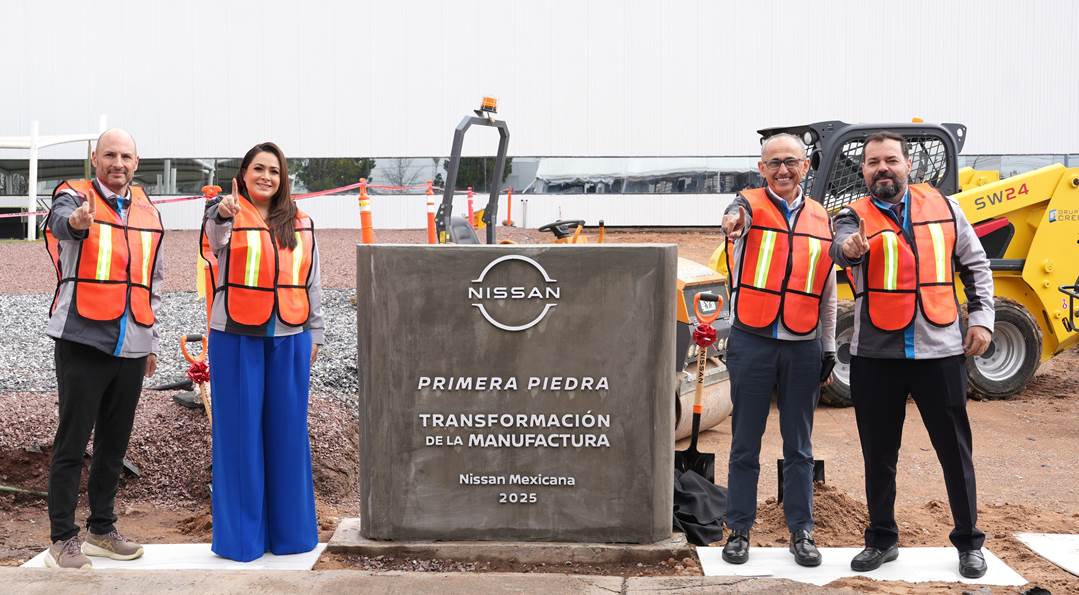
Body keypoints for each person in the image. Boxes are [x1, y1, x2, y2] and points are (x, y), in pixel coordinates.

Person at [831, 131, 994, 579]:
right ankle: (882, 538)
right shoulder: (851, 216)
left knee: (954, 451)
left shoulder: (945, 208)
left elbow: (976, 264)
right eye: (872, 163)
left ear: (907, 165)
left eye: (890, 160)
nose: (882, 168)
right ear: (863, 171)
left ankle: (968, 542)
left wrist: (982, 318)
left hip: (939, 350)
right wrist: (849, 250)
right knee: (879, 455)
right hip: (876, 355)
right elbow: (839, 247)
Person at [43, 128, 162, 569]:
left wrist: (150, 341)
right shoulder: (73, 197)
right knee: (72, 442)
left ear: (137, 161)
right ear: (95, 159)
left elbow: (154, 281)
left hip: (132, 342)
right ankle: (61, 538)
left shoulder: (148, 210)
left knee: (114, 444)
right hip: (83, 337)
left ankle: (101, 529)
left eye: (126, 156)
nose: (118, 163)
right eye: (109, 155)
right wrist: (75, 224)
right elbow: (57, 225)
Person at [201, 142, 324, 562]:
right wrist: (221, 213)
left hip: (290, 337)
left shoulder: (302, 222)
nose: (266, 177)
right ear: (244, 172)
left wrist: (316, 334)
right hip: (235, 336)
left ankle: (293, 536)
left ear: (282, 177)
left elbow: (312, 282)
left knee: (288, 436)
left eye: (274, 170)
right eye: (258, 168)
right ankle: (242, 542)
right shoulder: (225, 213)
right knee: (239, 438)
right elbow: (212, 243)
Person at [719, 133, 837, 567]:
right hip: (752, 340)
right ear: (761, 168)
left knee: (799, 446)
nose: (782, 170)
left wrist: (827, 347)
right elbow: (735, 218)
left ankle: (801, 532)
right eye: (774, 163)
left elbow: (828, 291)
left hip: (803, 345)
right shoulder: (747, 205)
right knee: (745, 443)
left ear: (805, 167)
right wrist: (731, 221)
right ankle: (739, 531)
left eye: (791, 162)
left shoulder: (823, 219)